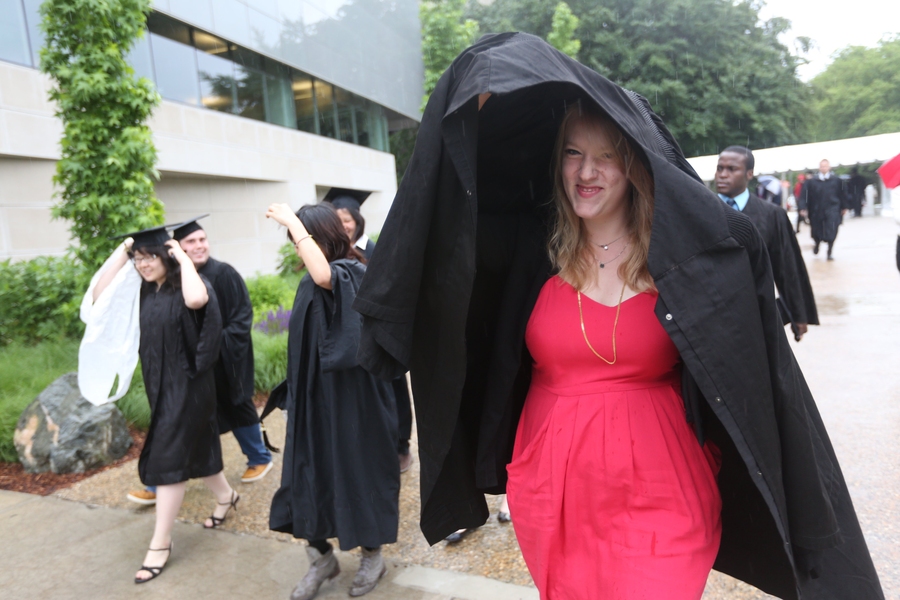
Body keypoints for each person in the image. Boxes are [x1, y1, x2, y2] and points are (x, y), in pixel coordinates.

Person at [351, 33, 882, 600]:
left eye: (607, 155)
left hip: (664, 485)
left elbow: (752, 351)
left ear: (635, 167)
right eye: (574, 153)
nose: (587, 171)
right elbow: (448, 224)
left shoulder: (683, 259)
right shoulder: (533, 254)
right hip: (552, 486)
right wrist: (482, 101)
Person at [265, 203, 399, 600]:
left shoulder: (352, 271)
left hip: (354, 403)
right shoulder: (309, 279)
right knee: (308, 476)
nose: (295, 248)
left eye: (299, 239)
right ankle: (321, 557)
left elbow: (326, 274)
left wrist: (291, 219)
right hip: (314, 401)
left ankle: (373, 555)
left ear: (321, 238)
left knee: (358, 472)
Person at [89, 226, 235, 584]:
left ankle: (160, 542)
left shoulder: (187, 284)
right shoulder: (142, 291)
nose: (142, 265)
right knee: (196, 448)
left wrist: (182, 256)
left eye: (148, 257)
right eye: (137, 260)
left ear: (166, 256)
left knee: (168, 456)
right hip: (161, 387)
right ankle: (227, 496)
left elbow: (198, 301)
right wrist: (124, 250)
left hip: (191, 386)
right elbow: (98, 294)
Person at [127, 217, 273, 506]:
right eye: (191, 242)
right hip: (187, 364)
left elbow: (242, 316)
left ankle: (259, 457)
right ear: (175, 249)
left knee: (236, 404)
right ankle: (159, 483)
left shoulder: (223, 273)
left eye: (202, 240)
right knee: (181, 422)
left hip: (226, 356)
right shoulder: (166, 279)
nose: (199, 245)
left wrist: (212, 346)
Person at [331, 196, 414, 473]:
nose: (343, 227)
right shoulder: (334, 252)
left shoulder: (372, 248)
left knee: (394, 384)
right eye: (338, 221)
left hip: (380, 328)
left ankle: (402, 444)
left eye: (347, 221)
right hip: (353, 333)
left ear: (357, 221)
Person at [715, 146, 818, 341]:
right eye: (720, 168)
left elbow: (787, 267)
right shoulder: (702, 211)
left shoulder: (771, 215)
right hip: (712, 315)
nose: (723, 175)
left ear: (749, 174)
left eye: (731, 169)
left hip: (756, 313)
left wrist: (798, 314)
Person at [799, 159, 849, 260]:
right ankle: (817, 243)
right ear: (819, 167)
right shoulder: (811, 182)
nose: (824, 168)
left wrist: (844, 207)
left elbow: (843, 194)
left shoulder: (837, 181)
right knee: (816, 230)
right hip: (816, 210)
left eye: (825, 166)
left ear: (829, 167)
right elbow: (804, 195)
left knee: (832, 229)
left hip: (833, 209)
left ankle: (829, 250)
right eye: (822, 166)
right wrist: (802, 207)